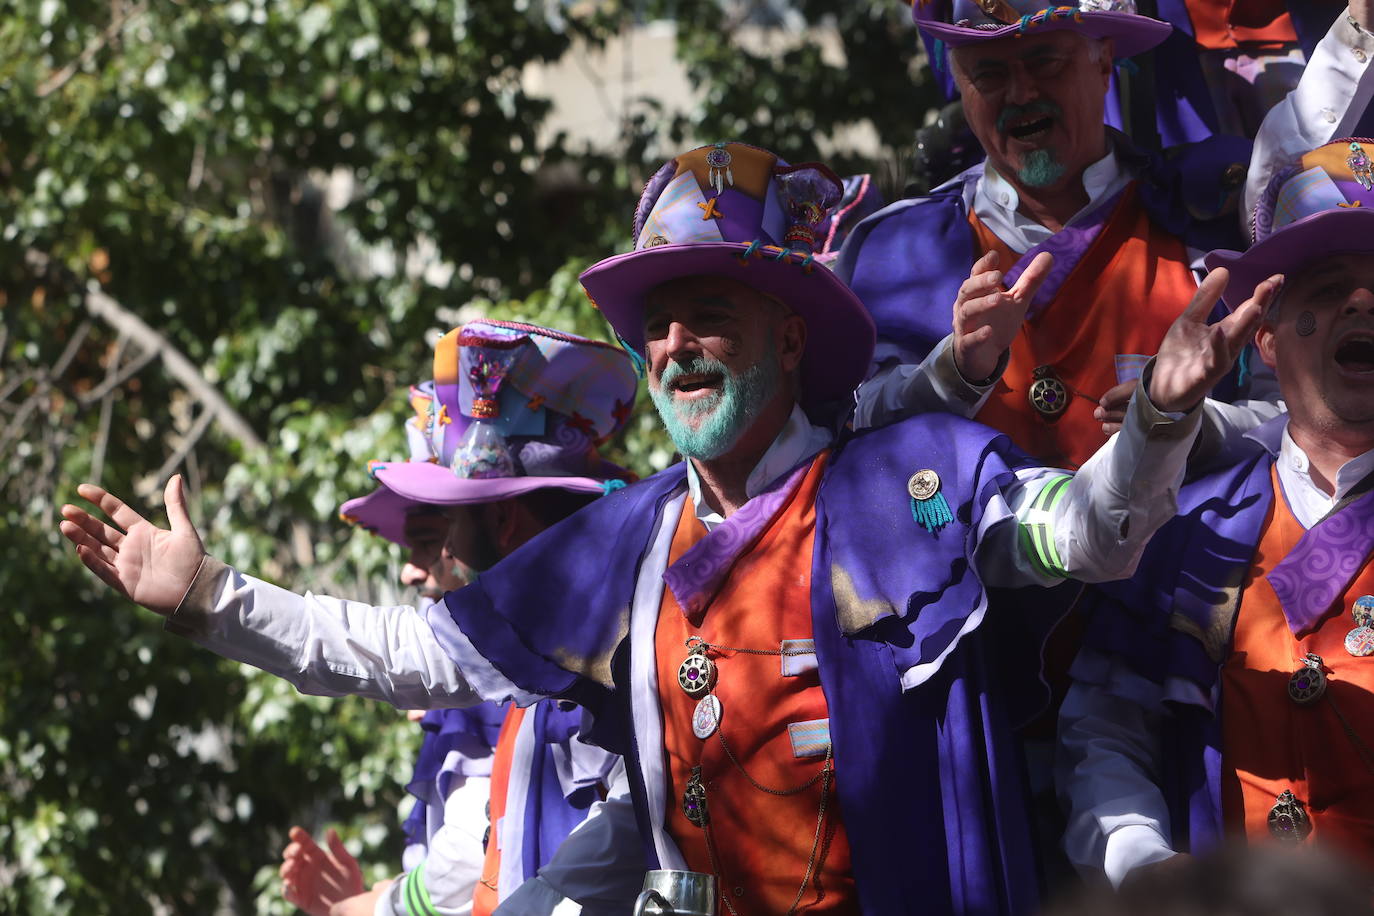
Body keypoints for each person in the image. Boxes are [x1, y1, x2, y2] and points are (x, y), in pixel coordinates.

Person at [59, 142, 1275, 916]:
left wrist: (1162, 419)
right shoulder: (625, 543)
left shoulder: (919, 475)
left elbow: (1097, 534)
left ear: (793, 334)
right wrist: (214, 596)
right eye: (659, 324)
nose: (679, 346)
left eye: (710, 314)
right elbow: (424, 656)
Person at [840, 0, 1373, 468]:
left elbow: (1293, 408)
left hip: (1185, 574)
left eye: (1045, 61)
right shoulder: (895, 249)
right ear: (960, 83)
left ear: (1102, 61)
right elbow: (845, 427)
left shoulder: (1205, 215)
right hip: (969, 579)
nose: (1022, 92)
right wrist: (955, 371)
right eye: (990, 73)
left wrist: (1188, 425)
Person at [1056, 139, 1374, 885]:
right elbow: (1106, 733)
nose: (1363, 304)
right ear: (1263, 341)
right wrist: (1144, 863)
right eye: (1328, 290)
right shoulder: (1189, 530)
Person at [281, 320, 641, 916]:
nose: (417, 568)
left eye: (440, 529)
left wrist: (374, 907)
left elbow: (481, 870)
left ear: (505, 523)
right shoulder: (519, 663)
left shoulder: (610, 642)